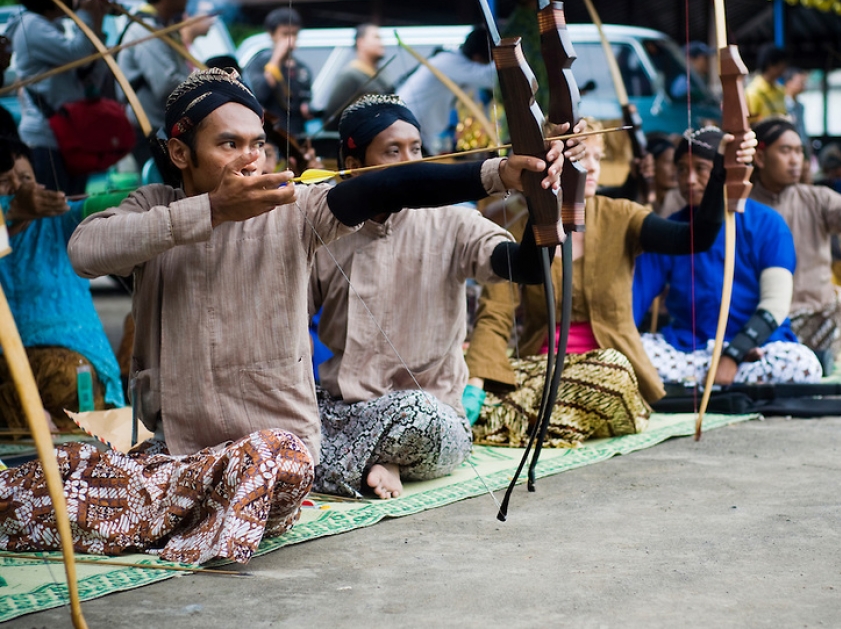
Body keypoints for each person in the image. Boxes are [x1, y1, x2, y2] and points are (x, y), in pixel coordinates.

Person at [0, 68, 561, 563]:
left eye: (258, 144)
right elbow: (87, 251)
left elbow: (386, 186)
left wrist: (496, 174)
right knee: (51, 479)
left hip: (277, 456)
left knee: (276, 457)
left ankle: (179, 510)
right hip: (182, 454)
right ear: (180, 155)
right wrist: (212, 212)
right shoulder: (152, 208)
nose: (251, 159)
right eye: (229, 144)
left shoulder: (298, 209)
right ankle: (174, 506)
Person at [310, 94, 562, 499]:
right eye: (393, 152)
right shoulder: (323, 228)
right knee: (284, 433)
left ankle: (372, 462)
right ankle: (377, 461)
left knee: (416, 415)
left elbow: (526, 268)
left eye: (416, 149)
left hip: (431, 415)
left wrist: (542, 198)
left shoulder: (454, 221)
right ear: (354, 166)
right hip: (347, 413)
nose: (411, 162)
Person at [464, 119, 755, 448]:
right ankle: (553, 421)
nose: (592, 167)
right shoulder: (520, 231)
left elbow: (693, 237)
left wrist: (721, 170)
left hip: (613, 379)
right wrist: (475, 384)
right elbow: (495, 314)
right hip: (543, 374)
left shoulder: (622, 216)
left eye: (598, 158)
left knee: (611, 368)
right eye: (582, 156)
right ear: (550, 161)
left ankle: (536, 421)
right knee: (470, 376)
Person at [634, 127, 821, 386]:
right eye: (681, 169)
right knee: (630, 356)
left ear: (725, 172)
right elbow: (634, 301)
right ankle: (712, 383)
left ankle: (701, 383)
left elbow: (775, 306)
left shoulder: (768, 224)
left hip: (755, 348)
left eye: (701, 168)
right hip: (689, 349)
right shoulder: (670, 229)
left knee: (803, 366)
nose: (688, 179)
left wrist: (733, 355)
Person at [0, 140, 126, 432]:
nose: (20, 188)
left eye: (27, 179)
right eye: (5, 182)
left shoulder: (61, 220)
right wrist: (10, 210)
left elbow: (99, 205)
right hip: (11, 370)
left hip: (71, 371)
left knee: (67, 374)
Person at [747, 117, 841, 370]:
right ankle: (801, 358)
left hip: (813, 317)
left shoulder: (817, 198)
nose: (796, 160)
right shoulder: (740, 205)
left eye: (799, 151)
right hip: (760, 319)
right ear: (760, 158)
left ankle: (789, 357)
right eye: (785, 151)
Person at [8, 0, 109, 196]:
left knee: (71, 210)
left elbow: (88, 65)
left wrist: (98, 19)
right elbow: (79, 54)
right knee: (57, 212)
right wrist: (86, 13)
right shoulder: (31, 26)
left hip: (66, 136)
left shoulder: (48, 27)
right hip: (46, 140)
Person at [118, 0, 194, 169]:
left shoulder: (159, 27)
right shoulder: (144, 30)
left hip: (162, 130)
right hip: (150, 132)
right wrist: (205, 82)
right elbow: (166, 85)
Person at [396, 27, 495, 155]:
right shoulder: (448, 61)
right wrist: (507, 56)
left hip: (417, 129)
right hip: (406, 125)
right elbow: (486, 77)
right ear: (477, 57)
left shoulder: (456, 63)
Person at [244, 7, 314, 138]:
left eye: (294, 34)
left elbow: (305, 100)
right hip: (269, 137)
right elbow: (260, 94)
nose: (290, 40)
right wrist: (277, 58)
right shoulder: (259, 63)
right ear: (272, 34)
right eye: (285, 35)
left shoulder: (302, 69)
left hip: (296, 136)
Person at [323, 23, 389, 130]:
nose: (381, 43)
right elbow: (331, 118)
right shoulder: (350, 75)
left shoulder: (383, 74)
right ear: (361, 42)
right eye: (376, 38)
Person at [745, 44, 788, 124]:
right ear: (770, 65)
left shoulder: (780, 90)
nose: (784, 68)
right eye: (782, 64)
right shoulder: (753, 92)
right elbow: (751, 123)